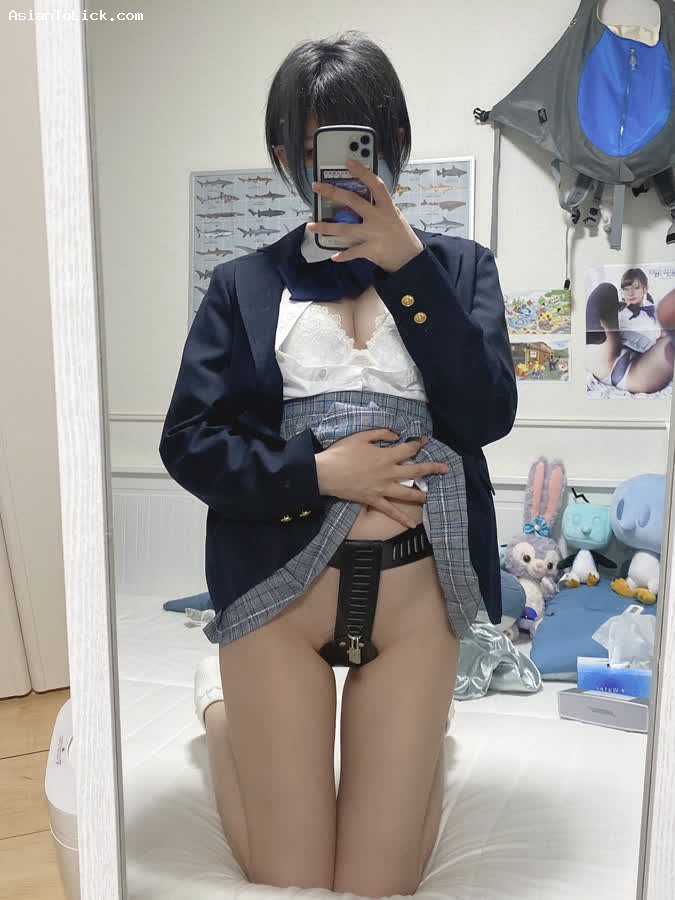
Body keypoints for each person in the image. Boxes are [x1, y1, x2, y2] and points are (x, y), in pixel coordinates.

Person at [158, 31, 517, 898]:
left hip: (416, 601)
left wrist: (407, 268)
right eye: (316, 147)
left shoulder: (458, 269)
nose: (344, 168)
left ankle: (416, 751)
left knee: (376, 883)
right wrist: (318, 473)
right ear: (287, 158)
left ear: (395, 144)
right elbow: (188, 439)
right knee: (288, 875)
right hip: (274, 595)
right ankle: (222, 710)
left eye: (363, 141)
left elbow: (485, 416)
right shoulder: (243, 284)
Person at [586, 267, 675, 394]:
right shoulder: (618, 308)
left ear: (645, 288)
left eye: (636, 288)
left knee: (669, 330)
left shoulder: (656, 312)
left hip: (638, 372)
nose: (630, 293)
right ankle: (592, 329)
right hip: (607, 357)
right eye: (626, 289)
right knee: (606, 288)